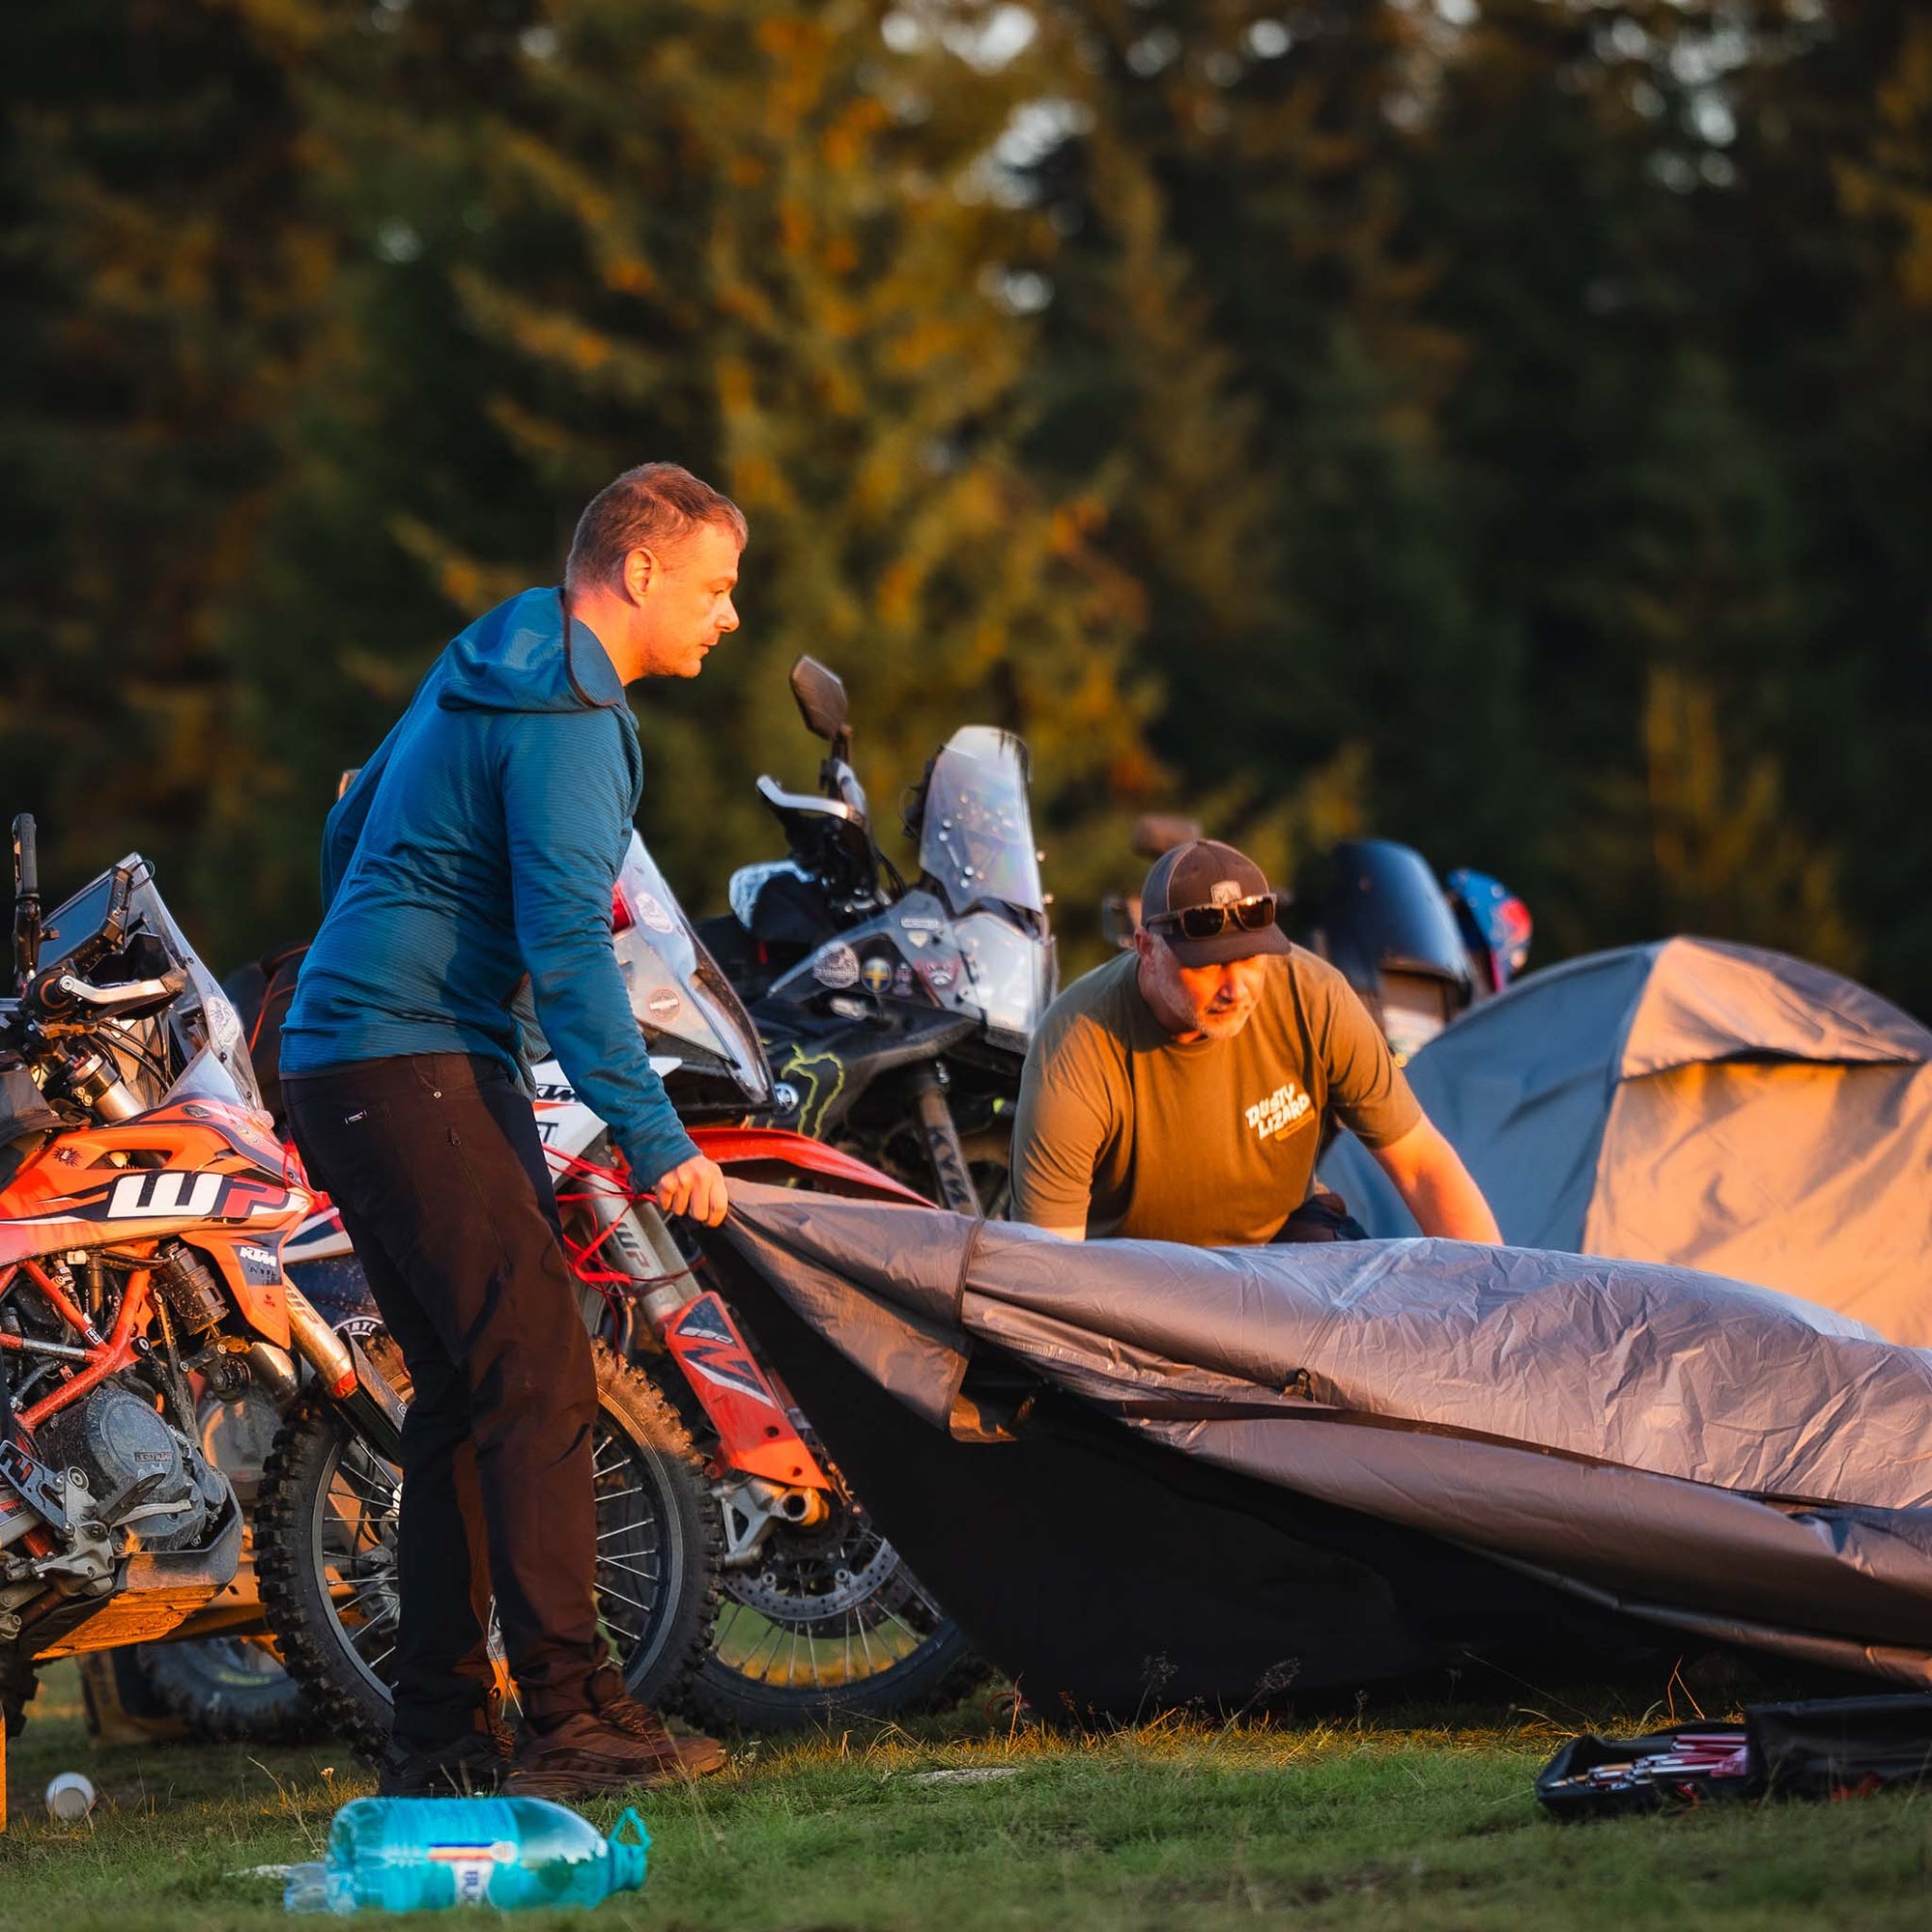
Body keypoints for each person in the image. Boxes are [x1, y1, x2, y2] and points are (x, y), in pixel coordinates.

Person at [279, 463, 743, 1799]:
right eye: (715, 589)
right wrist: (657, 1140)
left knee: (473, 1403)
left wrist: (364, 976)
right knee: (537, 1374)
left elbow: (350, 818)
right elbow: (569, 946)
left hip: (356, 1053)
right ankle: (574, 1719)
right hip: (411, 1056)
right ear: (639, 572)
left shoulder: (498, 651)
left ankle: (435, 1738)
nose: (727, 618)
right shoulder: (572, 711)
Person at [1011, 838, 1501, 1247]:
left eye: (1251, 959)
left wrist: (1495, 1309)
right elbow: (1052, 1269)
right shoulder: (1076, 1047)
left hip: (1278, 1247)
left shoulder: (1315, 997)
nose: (1236, 987)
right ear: (1146, 949)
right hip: (1132, 1276)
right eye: (1208, 963)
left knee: (1358, 1290)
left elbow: (1422, 1166)